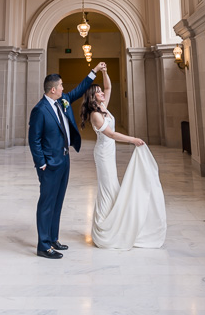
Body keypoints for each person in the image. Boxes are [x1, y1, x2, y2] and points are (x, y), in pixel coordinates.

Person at [80, 66, 167, 250]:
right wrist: (133, 140)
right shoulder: (95, 115)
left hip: (109, 153)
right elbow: (111, 135)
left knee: (113, 187)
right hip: (103, 155)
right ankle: (104, 230)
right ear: (92, 97)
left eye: (100, 91)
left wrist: (104, 72)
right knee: (108, 188)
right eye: (98, 93)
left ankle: (115, 224)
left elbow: (109, 88)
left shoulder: (102, 107)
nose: (102, 93)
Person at [28, 61, 107, 259]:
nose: (64, 89)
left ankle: (53, 238)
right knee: (47, 203)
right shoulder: (40, 110)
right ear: (53, 89)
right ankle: (43, 245)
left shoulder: (61, 100)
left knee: (58, 201)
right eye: (61, 86)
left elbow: (79, 90)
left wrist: (94, 71)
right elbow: (34, 139)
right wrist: (42, 164)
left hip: (64, 160)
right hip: (50, 165)